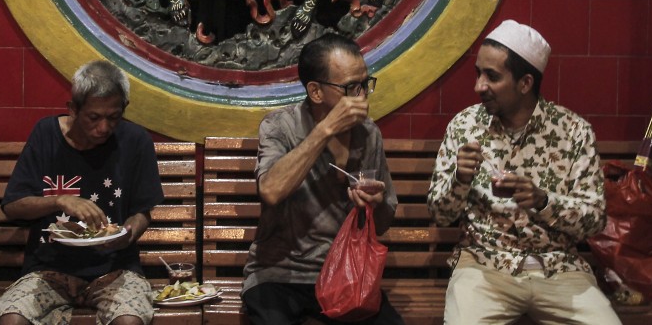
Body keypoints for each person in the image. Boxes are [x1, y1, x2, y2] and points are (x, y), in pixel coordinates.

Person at [427, 19, 621, 325]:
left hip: (558, 268)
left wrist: (543, 200)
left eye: (492, 76)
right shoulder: (464, 126)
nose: (479, 86)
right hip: (484, 265)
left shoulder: (573, 132)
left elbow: (594, 221)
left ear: (525, 83)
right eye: (478, 73)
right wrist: (460, 180)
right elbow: (440, 214)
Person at [241, 33, 404, 324]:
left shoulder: (368, 134)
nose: (361, 97)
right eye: (351, 88)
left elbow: (381, 224)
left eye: (365, 85)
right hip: (280, 273)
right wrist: (325, 130)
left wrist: (374, 204)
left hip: (346, 272)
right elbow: (271, 190)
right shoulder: (281, 126)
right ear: (316, 92)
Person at [0, 60, 164, 325]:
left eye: (113, 117)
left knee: (129, 321)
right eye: (94, 117)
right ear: (73, 109)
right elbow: (13, 206)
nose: (104, 127)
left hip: (115, 270)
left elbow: (142, 212)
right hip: (48, 270)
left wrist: (126, 235)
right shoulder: (46, 134)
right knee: (11, 319)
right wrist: (58, 201)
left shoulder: (136, 141)